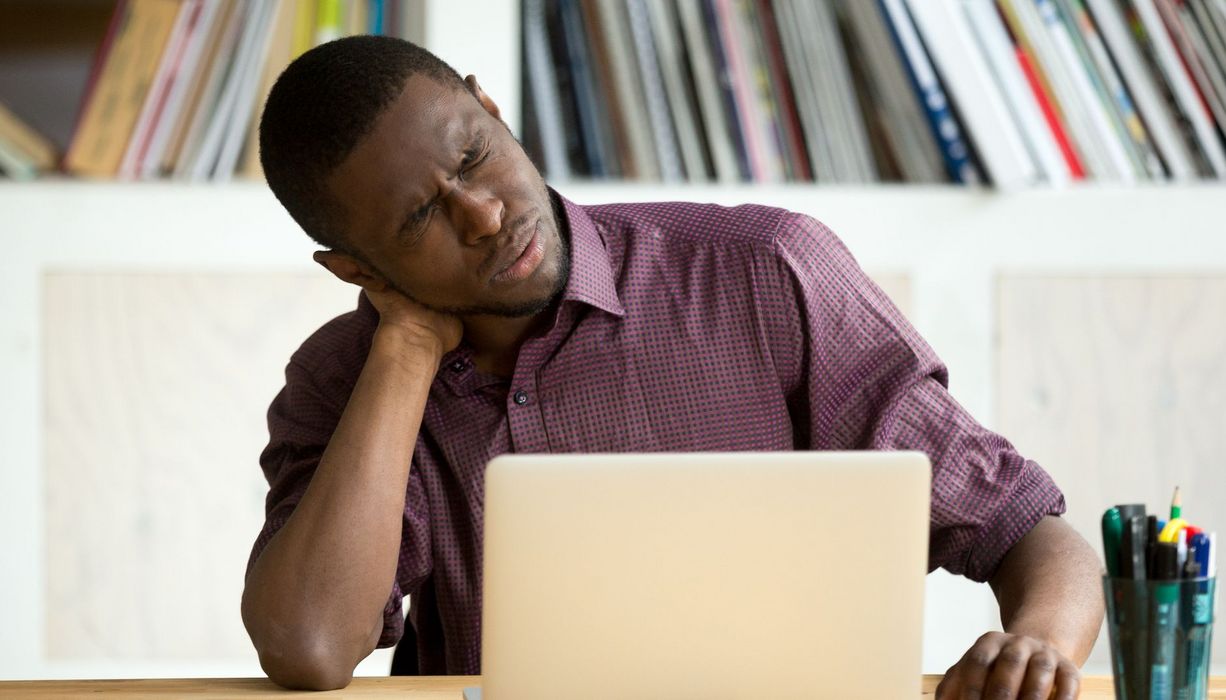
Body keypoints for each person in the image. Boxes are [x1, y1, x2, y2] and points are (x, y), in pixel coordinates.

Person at [241, 36, 1104, 699]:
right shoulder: (342, 381)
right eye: (420, 216)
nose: (486, 215)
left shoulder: (765, 269)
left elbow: (1026, 530)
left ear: (492, 108)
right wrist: (405, 347)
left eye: (474, 156)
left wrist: (1040, 647)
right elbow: (310, 645)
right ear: (355, 268)